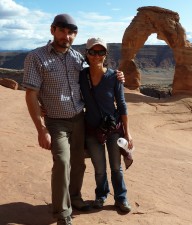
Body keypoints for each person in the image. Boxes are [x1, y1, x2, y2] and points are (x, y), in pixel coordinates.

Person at [23, 14, 124, 225]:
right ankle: (62, 213)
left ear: (74, 34)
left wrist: (117, 76)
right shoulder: (37, 57)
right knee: (62, 161)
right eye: (62, 31)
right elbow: (31, 93)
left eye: (70, 33)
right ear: (53, 30)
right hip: (55, 121)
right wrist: (41, 129)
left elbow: (96, 72)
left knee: (78, 163)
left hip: (79, 119)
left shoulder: (77, 58)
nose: (66, 36)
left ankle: (75, 198)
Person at [79, 37, 133, 212]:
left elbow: (122, 104)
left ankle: (121, 198)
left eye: (100, 52)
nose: (96, 56)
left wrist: (127, 132)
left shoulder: (114, 76)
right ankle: (101, 196)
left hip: (113, 129)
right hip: (92, 129)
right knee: (100, 168)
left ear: (105, 54)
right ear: (87, 54)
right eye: (93, 52)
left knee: (116, 168)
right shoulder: (81, 76)